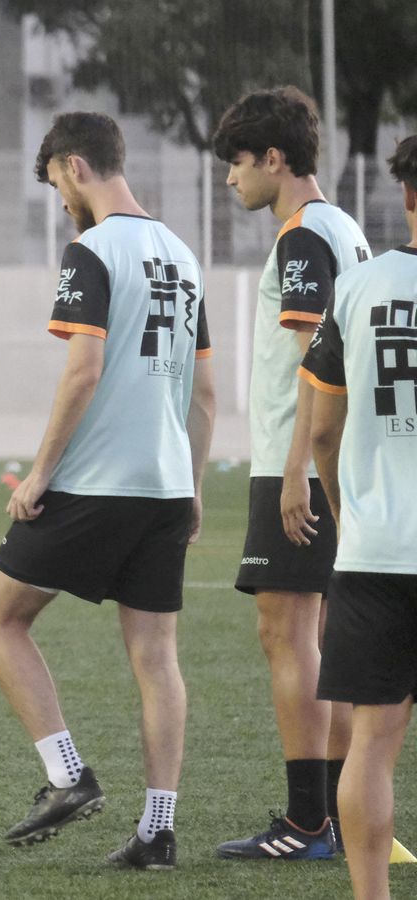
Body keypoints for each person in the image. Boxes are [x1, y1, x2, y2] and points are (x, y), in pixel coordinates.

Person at [0, 112, 215, 870]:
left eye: (55, 184)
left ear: (75, 166)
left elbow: (83, 369)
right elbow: (204, 393)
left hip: (99, 482)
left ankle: (67, 776)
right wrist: (194, 487)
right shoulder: (181, 253)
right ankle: (158, 831)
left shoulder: (93, 249)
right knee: (155, 656)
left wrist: (40, 472)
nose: (60, 202)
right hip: (167, 485)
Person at [211, 86, 370, 860]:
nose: (230, 179)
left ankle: (307, 821)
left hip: (299, 461)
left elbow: (316, 357)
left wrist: (297, 468)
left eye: (238, 164)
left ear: (275, 159)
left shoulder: (303, 236)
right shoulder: (347, 230)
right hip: (346, 461)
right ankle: (335, 816)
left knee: (287, 632)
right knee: (327, 638)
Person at [303, 133, 417, 900]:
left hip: (375, 549)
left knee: (372, 742)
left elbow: (318, 429)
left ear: (405, 195)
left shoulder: (358, 286)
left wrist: (350, 516)